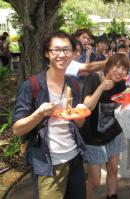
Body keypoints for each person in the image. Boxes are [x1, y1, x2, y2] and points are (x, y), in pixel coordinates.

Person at [12, 31, 90, 199]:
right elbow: (17, 129)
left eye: (67, 50)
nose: (62, 55)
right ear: (47, 53)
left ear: (73, 53)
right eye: (56, 50)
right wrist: (39, 113)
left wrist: (80, 115)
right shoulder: (32, 86)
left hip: (74, 158)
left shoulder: (74, 84)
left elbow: (78, 124)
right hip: (48, 163)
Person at [80, 53, 130, 199]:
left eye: (124, 69)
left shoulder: (120, 84)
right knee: (95, 181)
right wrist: (101, 87)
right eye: (117, 66)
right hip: (92, 137)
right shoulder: (95, 78)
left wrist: (124, 100)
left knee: (113, 170)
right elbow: (86, 107)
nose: (120, 72)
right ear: (108, 66)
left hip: (112, 132)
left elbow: (112, 107)